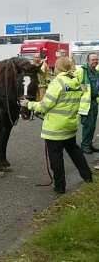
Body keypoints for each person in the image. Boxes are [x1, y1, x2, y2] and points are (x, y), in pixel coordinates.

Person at [21, 57, 93, 194]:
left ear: (58, 67)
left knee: (56, 158)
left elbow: (44, 106)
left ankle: (60, 187)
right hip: (70, 126)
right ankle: (88, 177)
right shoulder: (75, 81)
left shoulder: (57, 83)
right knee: (76, 153)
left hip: (55, 129)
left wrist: (28, 104)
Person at [75, 53, 99, 154]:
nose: (95, 61)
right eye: (93, 59)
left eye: (97, 59)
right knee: (87, 125)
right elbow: (76, 84)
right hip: (86, 103)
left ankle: (89, 144)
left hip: (94, 102)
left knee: (93, 126)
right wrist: (85, 90)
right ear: (88, 60)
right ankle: (84, 146)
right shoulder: (82, 70)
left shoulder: (96, 72)